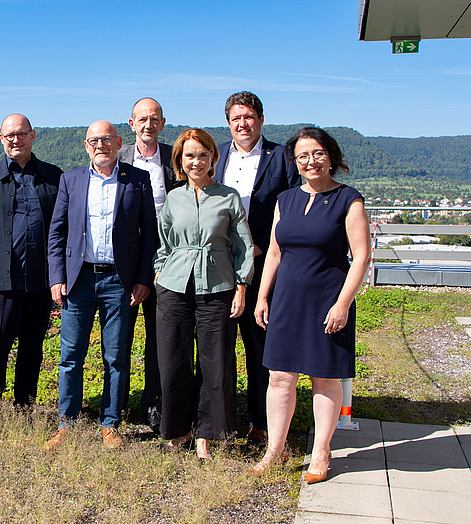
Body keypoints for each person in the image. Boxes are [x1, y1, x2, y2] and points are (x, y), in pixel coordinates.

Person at [250, 127, 370, 483]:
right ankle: (276, 449)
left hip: (327, 302)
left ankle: (321, 451)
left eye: (317, 153)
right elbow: (274, 252)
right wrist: (262, 297)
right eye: (302, 156)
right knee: (280, 377)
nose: (310, 161)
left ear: (330, 156)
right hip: (286, 300)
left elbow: (361, 258)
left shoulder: (349, 199)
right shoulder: (285, 200)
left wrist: (343, 304)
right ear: (295, 162)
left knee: (325, 378)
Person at [44, 120, 158, 451]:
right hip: (78, 281)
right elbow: (57, 232)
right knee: (70, 356)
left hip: (118, 282)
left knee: (117, 356)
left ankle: (110, 424)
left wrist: (142, 278)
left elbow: (148, 234)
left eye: (107, 139)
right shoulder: (71, 180)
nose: (100, 145)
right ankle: (66, 423)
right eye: (94, 140)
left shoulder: (138, 180)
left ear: (119, 142)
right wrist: (57, 276)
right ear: (85, 144)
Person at [155, 129, 254, 459]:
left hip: (218, 286)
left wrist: (241, 286)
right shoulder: (173, 198)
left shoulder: (228, 197)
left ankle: (206, 436)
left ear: (213, 158)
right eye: (189, 156)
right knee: (173, 361)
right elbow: (163, 243)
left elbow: (243, 247)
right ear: (180, 161)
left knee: (215, 364)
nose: (196, 161)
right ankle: (178, 429)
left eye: (202, 155)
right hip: (174, 287)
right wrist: (159, 274)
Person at [213, 91, 300, 448]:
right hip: (218, 267)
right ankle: (220, 420)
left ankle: (260, 422)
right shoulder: (215, 156)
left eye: (248, 117)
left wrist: (262, 245)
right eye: (236, 118)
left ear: (261, 119)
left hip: (264, 265)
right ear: (228, 123)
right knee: (217, 347)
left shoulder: (282, 157)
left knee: (260, 346)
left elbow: (292, 209)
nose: (242, 124)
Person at [0, 113, 63, 417]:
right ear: (1, 139)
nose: (16, 140)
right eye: (9, 135)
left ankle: (24, 407)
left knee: (33, 349)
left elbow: (64, 229)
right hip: (0, 281)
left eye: (21, 134)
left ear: (33, 136)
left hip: (40, 280)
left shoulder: (53, 177)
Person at [118, 97, 182, 433]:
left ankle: (156, 405)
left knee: (161, 339)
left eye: (154, 119)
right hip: (127, 262)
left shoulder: (175, 158)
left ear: (162, 122)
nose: (148, 124)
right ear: (131, 124)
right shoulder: (118, 158)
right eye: (142, 119)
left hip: (167, 260)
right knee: (120, 338)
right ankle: (118, 404)